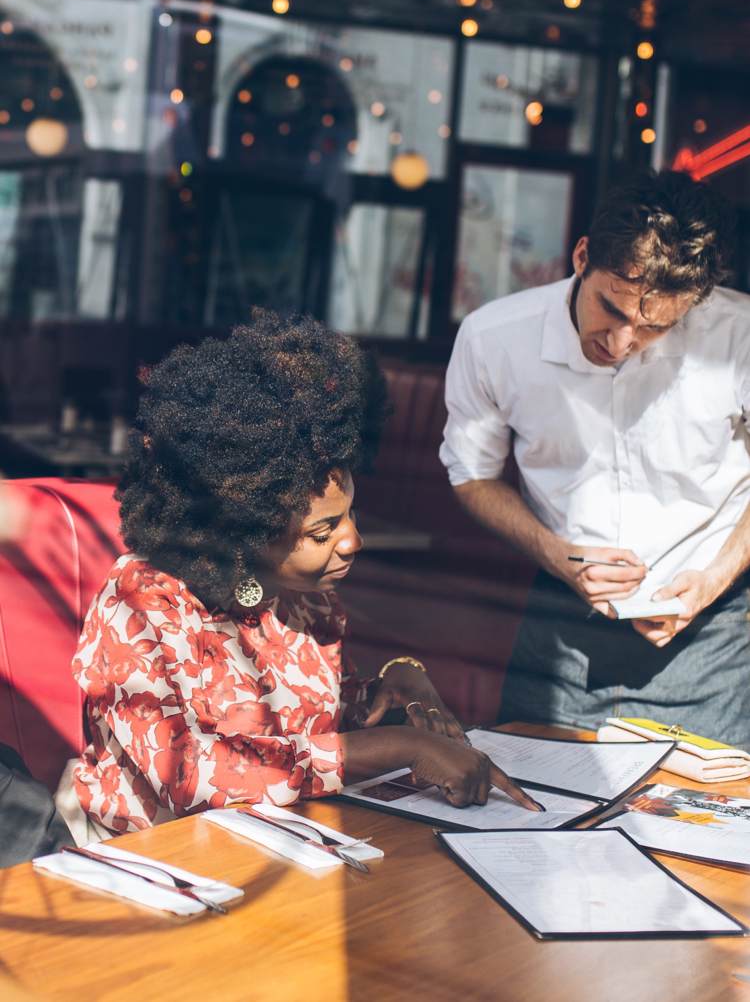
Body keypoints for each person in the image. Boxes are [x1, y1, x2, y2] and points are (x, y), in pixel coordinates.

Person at [71, 311, 539, 835]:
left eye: (352, 515)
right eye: (323, 532)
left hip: (281, 848)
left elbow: (312, 721)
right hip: (154, 866)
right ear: (242, 529)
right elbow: (186, 775)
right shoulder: (141, 603)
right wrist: (400, 746)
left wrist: (392, 684)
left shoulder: (304, 597)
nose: (353, 542)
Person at [440, 169, 750, 745]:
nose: (621, 341)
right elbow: (472, 476)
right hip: (559, 631)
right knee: (531, 816)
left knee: (702, 828)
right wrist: (557, 555)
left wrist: (709, 583)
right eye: (612, 308)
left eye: (656, 327)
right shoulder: (492, 338)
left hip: (710, 640)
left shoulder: (740, 337)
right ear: (582, 256)